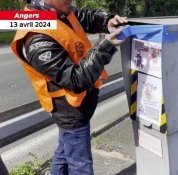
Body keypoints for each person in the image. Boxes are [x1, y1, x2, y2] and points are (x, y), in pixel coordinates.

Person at [11, 0, 127, 174]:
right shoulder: (35, 36)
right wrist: (105, 47)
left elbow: (83, 18)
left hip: (79, 105)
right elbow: (75, 81)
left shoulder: (58, 10)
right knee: (81, 167)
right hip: (69, 110)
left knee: (65, 151)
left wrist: (106, 21)